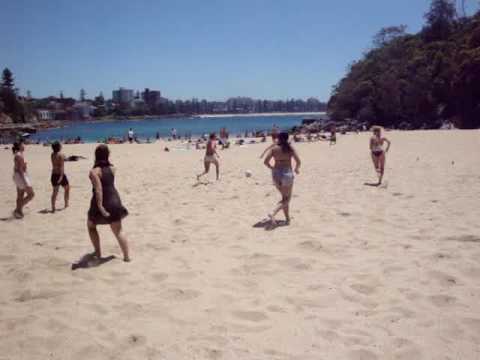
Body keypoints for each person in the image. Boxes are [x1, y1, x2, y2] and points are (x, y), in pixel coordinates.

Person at [87, 145, 130, 262]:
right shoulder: (113, 169)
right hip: (115, 200)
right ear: (107, 155)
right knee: (118, 230)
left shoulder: (94, 172)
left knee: (91, 226)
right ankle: (127, 257)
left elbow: (98, 189)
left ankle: (98, 252)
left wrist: (100, 206)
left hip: (101, 201)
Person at [263, 132, 301, 225]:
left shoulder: (274, 149)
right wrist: (296, 169)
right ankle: (273, 212)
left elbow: (266, 162)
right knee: (287, 199)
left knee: (284, 198)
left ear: (278, 139)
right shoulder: (290, 148)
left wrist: (272, 168)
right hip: (286, 173)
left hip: (276, 174)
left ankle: (287, 219)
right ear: (287, 139)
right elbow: (298, 161)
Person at [12, 142, 35, 218]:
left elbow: (18, 167)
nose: (24, 145)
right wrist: (25, 182)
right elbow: (20, 170)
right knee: (31, 194)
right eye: (22, 144)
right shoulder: (19, 156)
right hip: (21, 176)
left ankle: (19, 212)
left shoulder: (18, 154)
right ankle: (17, 209)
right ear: (19, 146)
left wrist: (24, 166)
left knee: (20, 195)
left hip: (17, 176)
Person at [50, 141, 70, 212]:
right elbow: (61, 166)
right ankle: (66, 204)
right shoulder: (61, 155)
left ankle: (53, 208)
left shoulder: (52, 154)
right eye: (60, 145)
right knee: (67, 188)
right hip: (60, 175)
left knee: (55, 192)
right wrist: (61, 177)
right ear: (58, 147)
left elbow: (61, 161)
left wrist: (65, 159)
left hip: (53, 174)